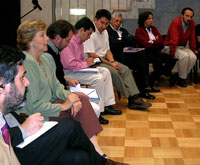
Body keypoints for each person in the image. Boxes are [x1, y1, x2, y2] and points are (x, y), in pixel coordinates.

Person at [0, 45, 127, 165]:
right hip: (17, 153)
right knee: (69, 126)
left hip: (20, 142)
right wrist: (23, 130)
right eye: (22, 78)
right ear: (2, 84)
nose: (27, 82)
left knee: (80, 157)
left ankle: (101, 161)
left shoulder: (46, 59)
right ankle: (102, 162)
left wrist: (25, 126)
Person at [16, 19, 106, 156]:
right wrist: (64, 106)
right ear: (30, 41)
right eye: (42, 35)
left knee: (80, 99)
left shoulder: (46, 59)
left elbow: (57, 86)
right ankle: (98, 154)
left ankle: (97, 153)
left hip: (50, 105)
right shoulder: (26, 62)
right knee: (80, 104)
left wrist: (71, 97)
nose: (47, 38)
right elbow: (33, 106)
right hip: (37, 115)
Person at [46, 18, 121, 125]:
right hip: (69, 72)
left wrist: (88, 64)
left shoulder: (80, 42)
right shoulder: (69, 41)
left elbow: (80, 61)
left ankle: (107, 104)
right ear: (81, 30)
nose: (89, 37)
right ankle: (98, 112)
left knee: (105, 71)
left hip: (77, 69)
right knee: (98, 78)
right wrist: (86, 64)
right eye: (89, 34)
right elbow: (69, 64)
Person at [84, 9, 152, 110]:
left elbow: (108, 51)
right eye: (102, 23)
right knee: (113, 72)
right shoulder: (91, 33)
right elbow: (92, 54)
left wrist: (113, 62)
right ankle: (131, 97)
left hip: (104, 59)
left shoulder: (105, 32)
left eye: (106, 24)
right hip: (93, 61)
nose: (104, 26)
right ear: (95, 20)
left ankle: (135, 97)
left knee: (124, 69)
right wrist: (111, 64)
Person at [44, 19, 101, 122]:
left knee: (87, 101)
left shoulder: (54, 51)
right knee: (93, 108)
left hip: (61, 90)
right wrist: (69, 96)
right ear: (58, 38)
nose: (68, 44)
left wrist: (66, 80)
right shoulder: (47, 55)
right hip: (54, 99)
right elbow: (52, 88)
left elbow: (54, 78)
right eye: (67, 41)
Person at [107, 12, 156, 100]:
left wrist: (122, 40)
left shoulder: (123, 30)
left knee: (142, 57)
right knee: (140, 60)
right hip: (117, 57)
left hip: (127, 55)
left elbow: (133, 40)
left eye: (120, 21)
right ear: (111, 20)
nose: (118, 23)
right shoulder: (107, 31)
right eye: (116, 21)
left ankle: (142, 89)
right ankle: (143, 88)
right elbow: (113, 44)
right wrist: (125, 40)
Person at [135, 11, 177, 88]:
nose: (151, 20)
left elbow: (161, 40)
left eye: (152, 18)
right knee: (159, 61)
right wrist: (155, 42)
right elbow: (145, 44)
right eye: (149, 19)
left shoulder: (154, 28)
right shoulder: (139, 30)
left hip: (156, 51)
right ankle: (152, 80)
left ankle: (159, 74)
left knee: (171, 59)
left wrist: (151, 42)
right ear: (143, 20)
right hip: (146, 53)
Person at [163, 7, 197, 88]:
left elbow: (192, 38)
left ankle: (179, 76)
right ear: (182, 15)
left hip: (181, 47)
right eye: (187, 16)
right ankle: (181, 80)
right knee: (184, 56)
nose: (189, 18)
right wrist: (172, 54)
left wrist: (192, 50)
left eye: (191, 17)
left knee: (193, 57)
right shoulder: (176, 22)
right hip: (170, 46)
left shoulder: (192, 23)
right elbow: (174, 40)